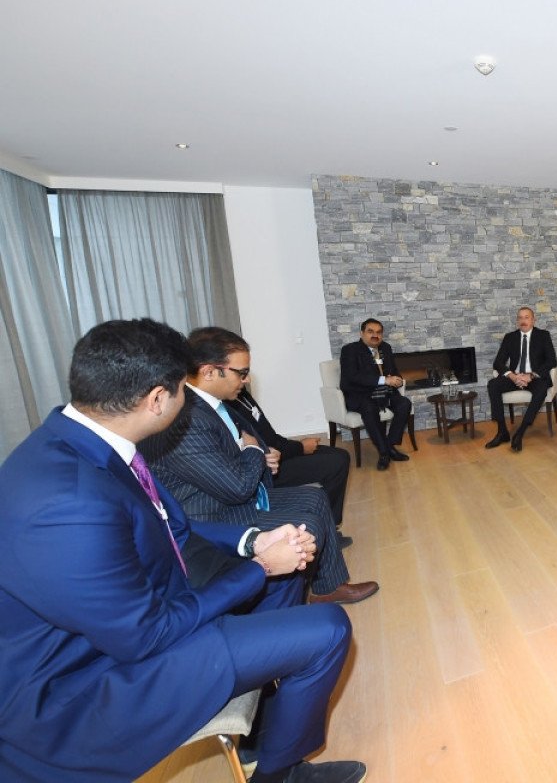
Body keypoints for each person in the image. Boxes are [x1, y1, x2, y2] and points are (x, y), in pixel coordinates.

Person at [0, 318, 366, 783]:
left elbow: (171, 526)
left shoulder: (81, 442)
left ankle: (263, 723)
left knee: (287, 577)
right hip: (83, 685)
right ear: (157, 399)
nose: (185, 399)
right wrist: (258, 566)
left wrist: (253, 541)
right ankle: (279, 774)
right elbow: (146, 636)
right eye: (181, 390)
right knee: (329, 628)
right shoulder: (72, 502)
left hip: (130, 620)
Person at [141, 327, 378, 606]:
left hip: (229, 497)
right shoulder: (186, 419)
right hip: (212, 517)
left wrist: (263, 453)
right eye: (241, 373)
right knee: (308, 525)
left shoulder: (212, 405)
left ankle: (328, 587)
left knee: (314, 497)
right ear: (209, 372)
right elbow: (238, 486)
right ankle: (288, 607)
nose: (247, 379)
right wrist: (255, 451)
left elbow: (241, 445)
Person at [226, 382, 352, 537]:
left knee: (341, 456)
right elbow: (260, 449)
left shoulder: (243, 395)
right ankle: (326, 530)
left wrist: (298, 445)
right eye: (241, 374)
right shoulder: (227, 408)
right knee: (336, 463)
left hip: (280, 453)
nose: (247, 379)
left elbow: (271, 438)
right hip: (269, 470)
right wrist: (300, 447)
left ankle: (330, 525)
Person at [339, 318, 414, 470]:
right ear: (361, 333)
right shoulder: (350, 350)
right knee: (370, 409)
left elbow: (393, 370)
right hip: (360, 393)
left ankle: (389, 445)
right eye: (370, 332)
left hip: (384, 392)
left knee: (404, 404)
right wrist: (384, 380)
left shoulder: (385, 348)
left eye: (379, 332)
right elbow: (353, 377)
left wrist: (397, 379)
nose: (375, 335)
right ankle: (384, 453)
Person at [485, 306, 557, 452]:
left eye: (526, 317)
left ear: (533, 320)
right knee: (493, 385)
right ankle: (502, 432)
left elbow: (551, 361)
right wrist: (512, 376)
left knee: (541, 390)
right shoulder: (510, 337)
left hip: (534, 378)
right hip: (515, 377)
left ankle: (520, 432)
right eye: (520, 318)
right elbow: (498, 363)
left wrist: (531, 376)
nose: (523, 321)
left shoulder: (543, 335)